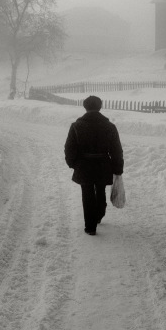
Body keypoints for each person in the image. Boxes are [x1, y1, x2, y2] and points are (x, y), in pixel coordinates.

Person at [63, 95, 124, 235]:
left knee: (87, 194)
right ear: (100, 107)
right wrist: (118, 168)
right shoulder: (109, 126)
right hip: (103, 164)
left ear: (85, 107)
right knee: (100, 189)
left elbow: (69, 148)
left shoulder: (76, 126)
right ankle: (99, 213)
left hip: (84, 165)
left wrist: (73, 164)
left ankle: (90, 227)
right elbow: (116, 149)